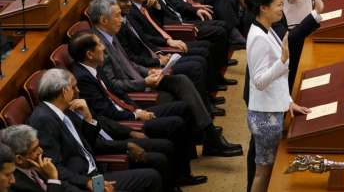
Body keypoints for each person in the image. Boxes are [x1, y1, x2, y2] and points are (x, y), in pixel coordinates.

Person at [88, 0, 242, 158]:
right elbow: (113, 85)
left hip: (142, 80)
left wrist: (149, 72)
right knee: (177, 99)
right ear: (104, 20)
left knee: (181, 80)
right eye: (117, 16)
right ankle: (209, 138)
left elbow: (129, 63)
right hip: (133, 93)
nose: (122, 19)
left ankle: (209, 135)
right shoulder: (97, 46)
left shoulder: (111, 34)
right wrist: (144, 82)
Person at [68, 32, 206, 188]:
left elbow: (115, 93)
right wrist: (132, 122)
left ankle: (184, 170)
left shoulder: (93, 68)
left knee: (182, 109)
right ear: (89, 54)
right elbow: (104, 116)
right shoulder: (81, 81)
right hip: (119, 129)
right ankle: (180, 177)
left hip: (124, 117)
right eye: (99, 44)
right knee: (169, 137)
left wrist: (135, 109)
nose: (104, 48)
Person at [27, 69, 162, 192]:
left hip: (95, 173)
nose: (78, 91)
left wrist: (88, 118)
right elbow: (54, 168)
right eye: (74, 87)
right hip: (87, 182)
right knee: (151, 177)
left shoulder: (64, 109)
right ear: (64, 91)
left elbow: (90, 142)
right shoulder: (43, 120)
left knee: (156, 162)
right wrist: (87, 182)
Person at [246, 0, 311, 192]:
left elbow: (278, 81)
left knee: (269, 171)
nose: (282, 9)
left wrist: (289, 102)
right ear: (264, 7)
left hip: (274, 110)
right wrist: (282, 62)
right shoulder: (258, 37)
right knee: (263, 173)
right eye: (279, 5)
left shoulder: (267, 29)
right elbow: (259, 81)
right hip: (264, 117)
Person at [0, 125, 61, 192]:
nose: (41, 151)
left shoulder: (41, 163)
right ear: (19, 159)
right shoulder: (15, 184)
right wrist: (53, 179)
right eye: (34, 150)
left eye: (39, 145)